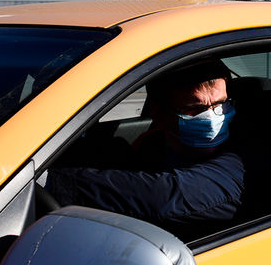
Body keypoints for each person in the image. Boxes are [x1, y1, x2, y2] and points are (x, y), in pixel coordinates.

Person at [43, 60, 245, 236]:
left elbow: (167, 198)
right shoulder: (152, 144)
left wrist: (52, 182)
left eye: (220, 104)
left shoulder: (241, 156)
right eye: (194, 109)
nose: (212, 117)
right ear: (159, 113)